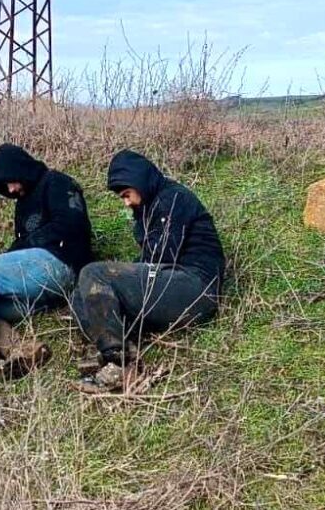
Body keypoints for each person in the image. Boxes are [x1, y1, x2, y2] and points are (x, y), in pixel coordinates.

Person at [70, 149, 225, 390]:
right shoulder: (151, 206)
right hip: (172, 285)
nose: (126, 202)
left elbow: (160, 255)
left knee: (94, 273)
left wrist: (116, 276)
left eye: (127, 194)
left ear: (138, 181)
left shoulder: (172, 199)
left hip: (195, 288)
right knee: (81, 293)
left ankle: (117, 362)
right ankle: (124, 345)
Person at [0, 143, 93, 378]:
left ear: (22, 168)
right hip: (40, 291)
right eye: (5, 186)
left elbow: (73, 224)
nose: (11, 188)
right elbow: (22, 245)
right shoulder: (22, 202)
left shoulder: (57, 182)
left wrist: (23, 246)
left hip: (61, 265)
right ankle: (23, 350)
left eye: (11, 180)